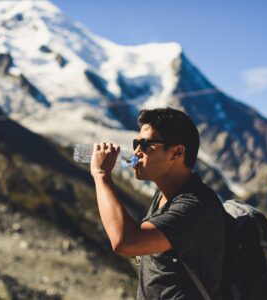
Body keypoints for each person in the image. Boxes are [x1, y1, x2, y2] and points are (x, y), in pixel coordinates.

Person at [90, 107, 225, 299]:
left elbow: (125, 242)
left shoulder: (195, 206)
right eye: (136, 143)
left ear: (177, 152)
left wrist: (101, 175)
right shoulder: (165, 195)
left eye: (145, 145)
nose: (136, 151)